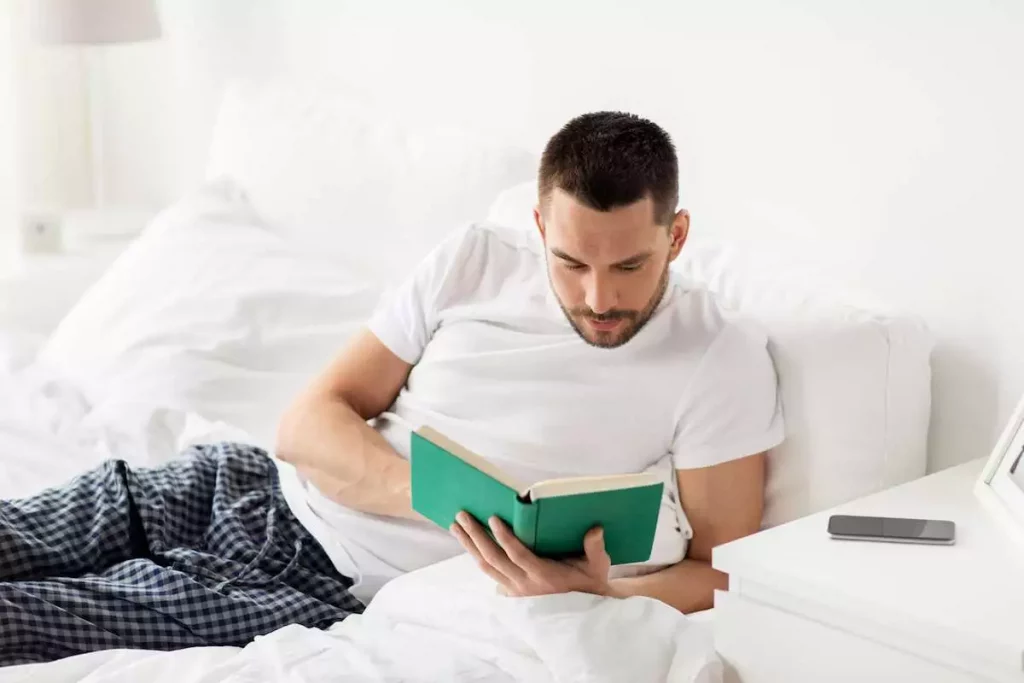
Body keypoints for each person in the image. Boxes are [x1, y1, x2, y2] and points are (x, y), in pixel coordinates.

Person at [0, 111, 783, 666]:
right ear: (541, 225)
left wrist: (596, 588)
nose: (597, 298)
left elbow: (722, 569)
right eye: (572, 263)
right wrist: (442, 498)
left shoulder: (719, 356)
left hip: (310, 579)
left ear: (675, 236)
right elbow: (307, 421)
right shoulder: (473, 261)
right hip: (237, 482)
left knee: (19, 619)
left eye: (630, 267)